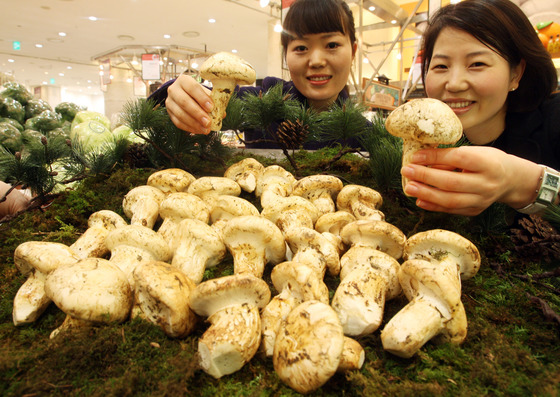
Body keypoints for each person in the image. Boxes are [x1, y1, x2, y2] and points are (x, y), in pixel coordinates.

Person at [400, 0, 560, 216]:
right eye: (440, 66)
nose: (454, 83)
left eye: (477, 64)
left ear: (516, 73)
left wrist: (523, 182)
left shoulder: (554, 119)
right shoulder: (422, 139)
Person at [149, 0, 358, 149]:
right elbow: (161, 111)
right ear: (286, 55)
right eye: (301, 48)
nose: (316, 61)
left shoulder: (367, 135)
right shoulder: (262, 101)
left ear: (354, 51)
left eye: (332, 45)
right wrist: (176, 96)